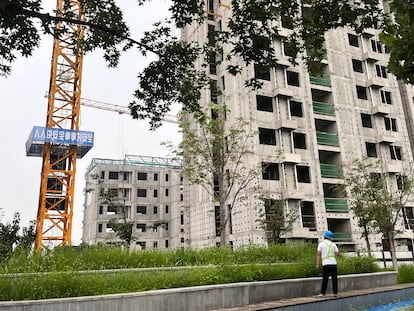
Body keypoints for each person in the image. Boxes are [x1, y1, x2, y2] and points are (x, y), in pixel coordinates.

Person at [316, 230, 340, 297]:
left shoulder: (321, 244)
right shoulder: (333, 244)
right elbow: (337, 254)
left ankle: (322, 293)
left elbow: (318, 255)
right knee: (334, 278)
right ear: (330, 237)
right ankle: (335, 293)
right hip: (333, 263)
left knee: (325, 278)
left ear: (324, 236)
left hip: (325, 264)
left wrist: (317, 264)